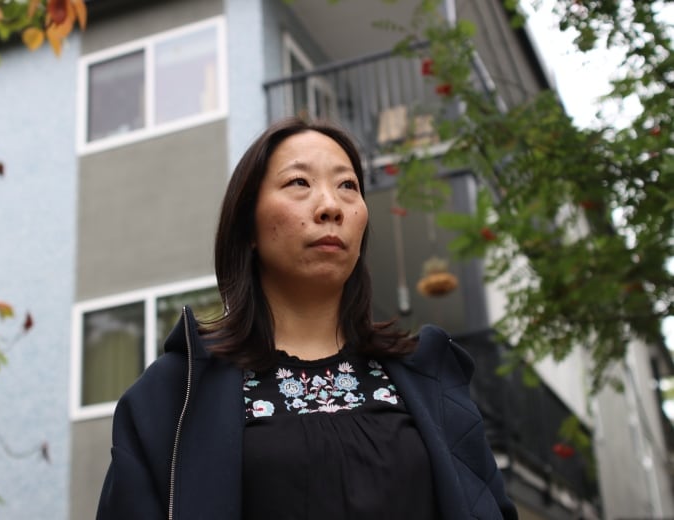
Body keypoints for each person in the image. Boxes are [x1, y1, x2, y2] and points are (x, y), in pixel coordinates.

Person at [96, 118, 518, 519]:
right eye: (299, 182)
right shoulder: (174, 393)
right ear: (248, 228)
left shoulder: (431, 378)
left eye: (348, 186)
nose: (331, 206)